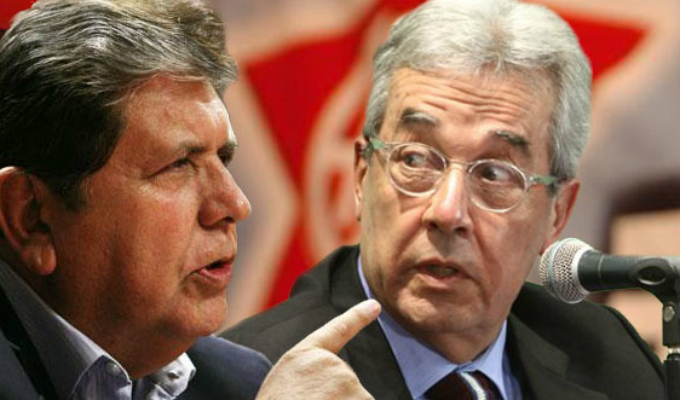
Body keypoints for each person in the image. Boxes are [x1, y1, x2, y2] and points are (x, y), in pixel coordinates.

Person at [223, 0, 665, 399]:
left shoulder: (612, 359)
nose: (447, 211)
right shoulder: (249, 379)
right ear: (361, 176)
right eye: (415, 160)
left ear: (557, 213)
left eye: (494, 174)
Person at [0, 1, 380, 399]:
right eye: (179, 165)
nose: (235, 205)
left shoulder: (236, 383)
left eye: (224, 158)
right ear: (32, 217)